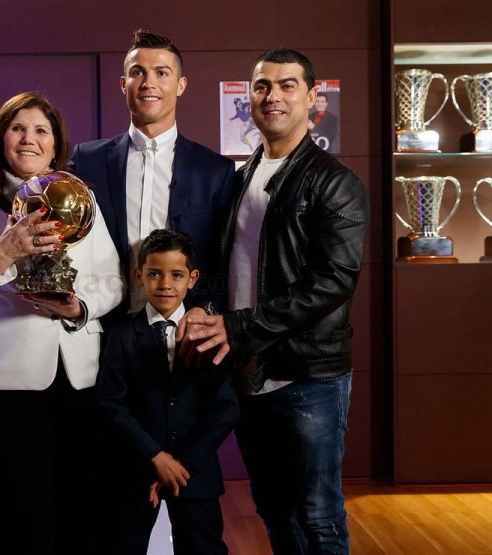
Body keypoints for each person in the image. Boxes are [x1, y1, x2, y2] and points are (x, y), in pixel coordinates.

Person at [182, 48, 369, 553]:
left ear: (313, 98)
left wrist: (238, 328)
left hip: (308, 375)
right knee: (273, 507)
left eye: (288, 85)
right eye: (262, 85)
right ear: (249, 97)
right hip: (249, 371)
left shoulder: (335, 182)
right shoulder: (242, 176)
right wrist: (208, 309)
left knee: (317, 515)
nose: (273, 96)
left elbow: (333, 281)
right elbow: (228, 266)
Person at [0, 91, 124, 554]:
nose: (29, 138)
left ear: (56, 144)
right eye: (18, 128)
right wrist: (2, 254)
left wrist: (79, 308)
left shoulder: (80, 199)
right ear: (1, 138)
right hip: (3, 389)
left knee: (79, 521)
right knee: (15, 525)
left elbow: (114, 280)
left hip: (80, 383)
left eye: (41, 130)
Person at [0, 30, 235, 322]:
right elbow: (37, 182)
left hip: (186, 330)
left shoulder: (215, 171)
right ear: (123, 84)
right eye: (137, 72)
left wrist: (207, 309)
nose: (148, 83)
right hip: (108, 333)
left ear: (181, 85)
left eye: (161, 73)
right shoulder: (88, 159)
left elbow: (225, 258)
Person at [97, 229, 238, 555]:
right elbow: (110, 403)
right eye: (154, 274)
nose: (165, 284)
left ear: (192, 278)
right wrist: (155, 457)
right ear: (139, 276)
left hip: (194, 472)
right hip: (136, 471)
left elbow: (226, 408)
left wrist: (178, 462)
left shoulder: (210, 334)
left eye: (176, 274)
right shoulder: (120, 336)